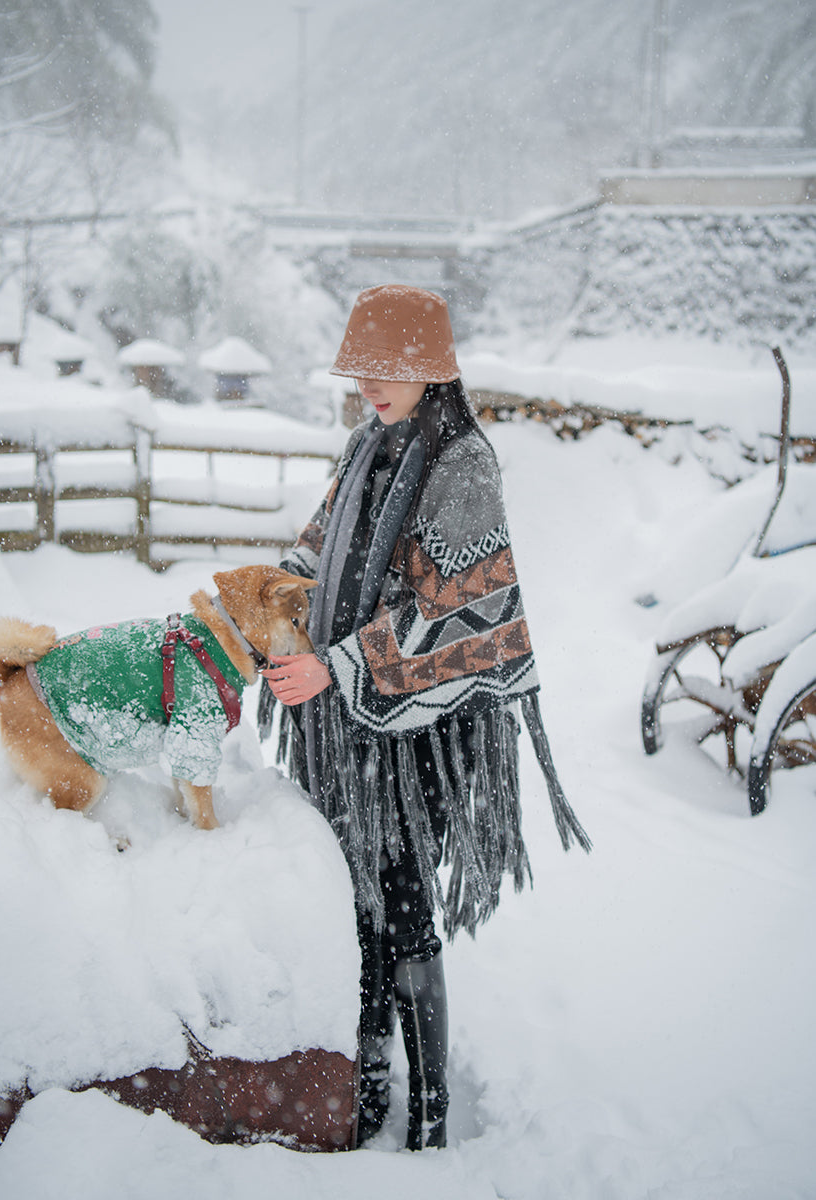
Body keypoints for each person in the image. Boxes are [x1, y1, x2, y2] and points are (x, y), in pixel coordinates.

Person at [259, 284, 590, 1151]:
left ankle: (431, 1114)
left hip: (425, 738)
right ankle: (366, 1091)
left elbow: (452, 614)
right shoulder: (367, 445)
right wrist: (271, 593)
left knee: (402, 909)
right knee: (354, 908)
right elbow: (318, 543)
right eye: (361, 366)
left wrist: (334, 663)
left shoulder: (463, 466)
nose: (370, 383)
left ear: (431, 368)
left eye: (389, 368)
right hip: (347, 732)